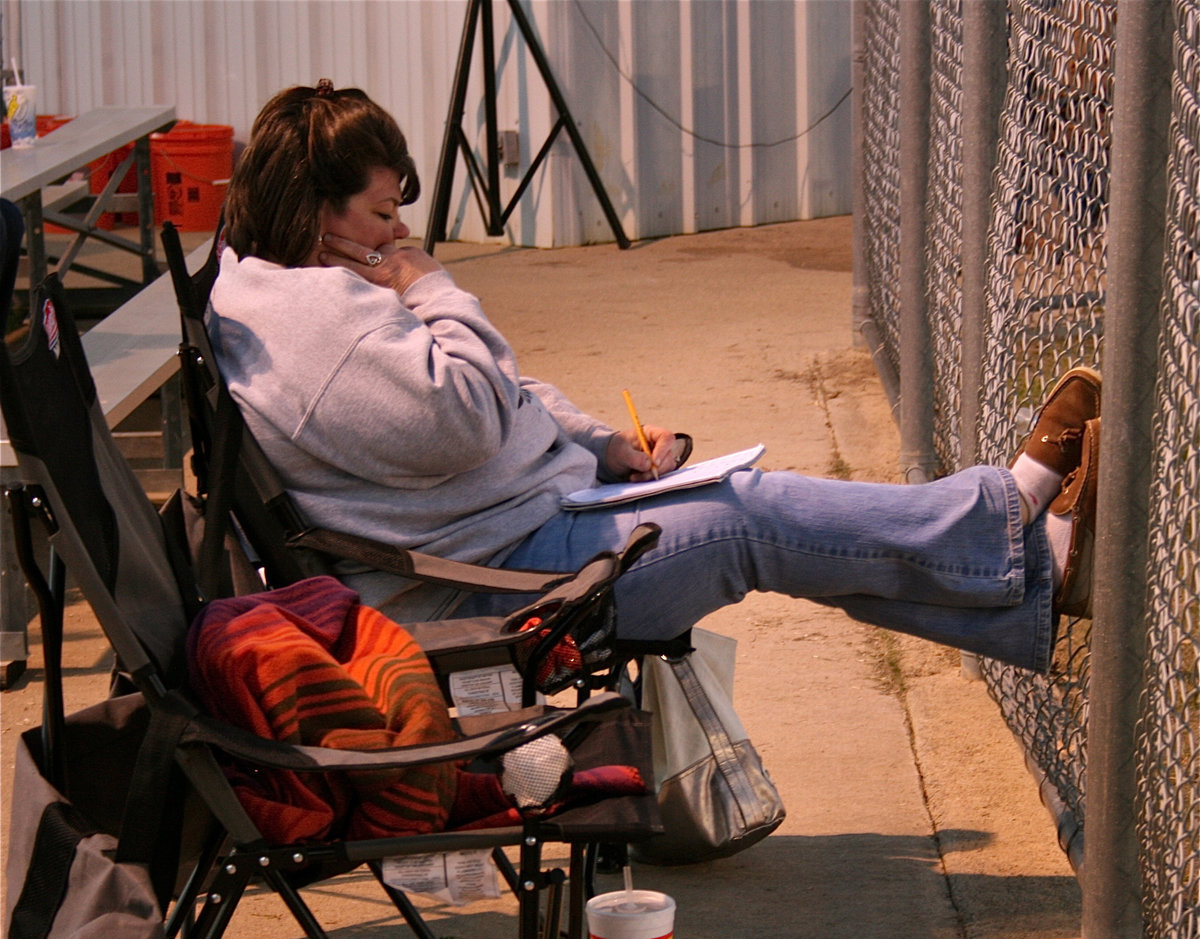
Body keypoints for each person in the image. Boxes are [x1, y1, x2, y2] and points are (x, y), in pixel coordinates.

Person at [208, 81, 1100, 674]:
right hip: (500, 586)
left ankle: (1031, 581)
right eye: (380, 214)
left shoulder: (303, 292)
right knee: (747, 514)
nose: (397, 236)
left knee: (766, 525)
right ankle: (1013, 519)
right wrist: (431, 285)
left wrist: (597, 443)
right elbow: (468, 415)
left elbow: (496, 398)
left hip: (529, 531)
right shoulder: (314, 323)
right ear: (314, 211)